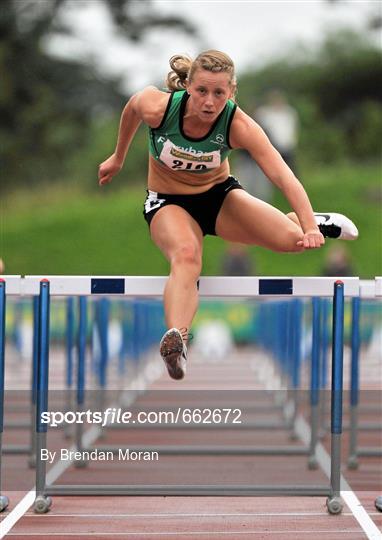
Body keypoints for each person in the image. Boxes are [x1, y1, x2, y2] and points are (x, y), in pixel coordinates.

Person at [98, 50, 358, 381]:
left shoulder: (238, 124)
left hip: (219, 198)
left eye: (219, 93)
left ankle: (306, 220)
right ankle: (177, 341)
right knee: (187, 256)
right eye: (202, 91)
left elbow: (283, 175)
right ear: (188, 87)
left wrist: (309, 228)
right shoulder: (159, 108)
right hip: (168, 202)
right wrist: (118, 156)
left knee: (293, 242)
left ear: (232, 92)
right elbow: (132, 107)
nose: (209, 102)